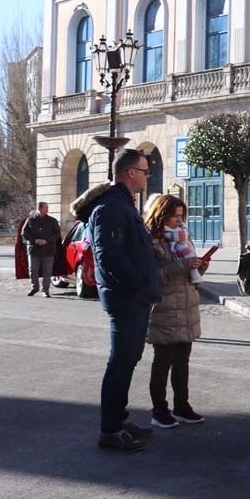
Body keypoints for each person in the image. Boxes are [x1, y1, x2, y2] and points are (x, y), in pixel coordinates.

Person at [83, 149, 161, 452]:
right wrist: (139, 283)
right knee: (120, 362)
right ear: (131, 172)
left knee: (128, 360)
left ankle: (119, 418)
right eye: (144, 171)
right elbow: (109, 255)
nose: (147, 176)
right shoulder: (111, 206)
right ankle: (110, 430)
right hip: (126, 297)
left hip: (135, 297)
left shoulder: (123, 203)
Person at [144, 194, 209, 428]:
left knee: (183, 360)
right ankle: (159, 410)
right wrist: (182, 265)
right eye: (175, 217)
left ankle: (182, 406)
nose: (179, 221)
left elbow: (191, 274)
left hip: (186, 305)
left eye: (182, 216)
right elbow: (150, 276)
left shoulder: (183, 236)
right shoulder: (151, 240)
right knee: (163, 361)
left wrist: (200, 266)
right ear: (162, 215)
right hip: (164, 308)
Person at [21, 202, 62, 298]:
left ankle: (45, 290)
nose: (47, 209)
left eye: (47, 207)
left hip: (48, 250)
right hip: (34, 250)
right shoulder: (30, 220)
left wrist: (46, 241)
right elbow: (24, 233)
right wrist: (35, 240)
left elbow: (57, 234)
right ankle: (35, 287)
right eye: (45, 208)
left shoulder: (52, 221)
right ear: (39, 209)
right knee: (33, 270)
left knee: (47, 271)